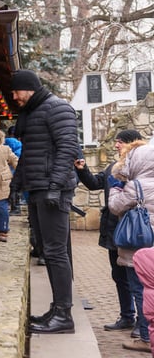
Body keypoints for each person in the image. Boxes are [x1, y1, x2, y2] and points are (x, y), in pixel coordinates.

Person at [9, 69, 80, 334]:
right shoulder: (33, 113)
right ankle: (57, 309)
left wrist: (55, 186)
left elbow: (67, 148)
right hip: (38, 189)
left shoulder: (57, 108)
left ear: (28, 88)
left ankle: (64, 315)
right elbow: (29, 154)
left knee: (55, 252)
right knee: (47, 251)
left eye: (16, 91)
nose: (14, 96)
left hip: (53, 192)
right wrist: (16, 185)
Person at [75, 129, 143, 334]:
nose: (116, 145)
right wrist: (82, 169)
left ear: (132, 144)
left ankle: (143, 322)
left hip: (136, 231)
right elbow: (95, 184)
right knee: (119, 275)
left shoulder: (141, 169)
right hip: (114, 231)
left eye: (120, 142)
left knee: (138, 279)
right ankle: (127, 316)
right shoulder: (113, 167)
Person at [109, 138, 154, 352]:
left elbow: (115, 207)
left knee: (141, 291)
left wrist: (116, 189)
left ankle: (146, 338)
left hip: (138, 247)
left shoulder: (136, 185)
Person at [4, 126, 24, 214]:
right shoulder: (20, 144)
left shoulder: (3, 143)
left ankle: (12, 206)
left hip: (7, 169)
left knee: (10, 189)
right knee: (17, 189)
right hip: (18, 168)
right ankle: (16, 207)